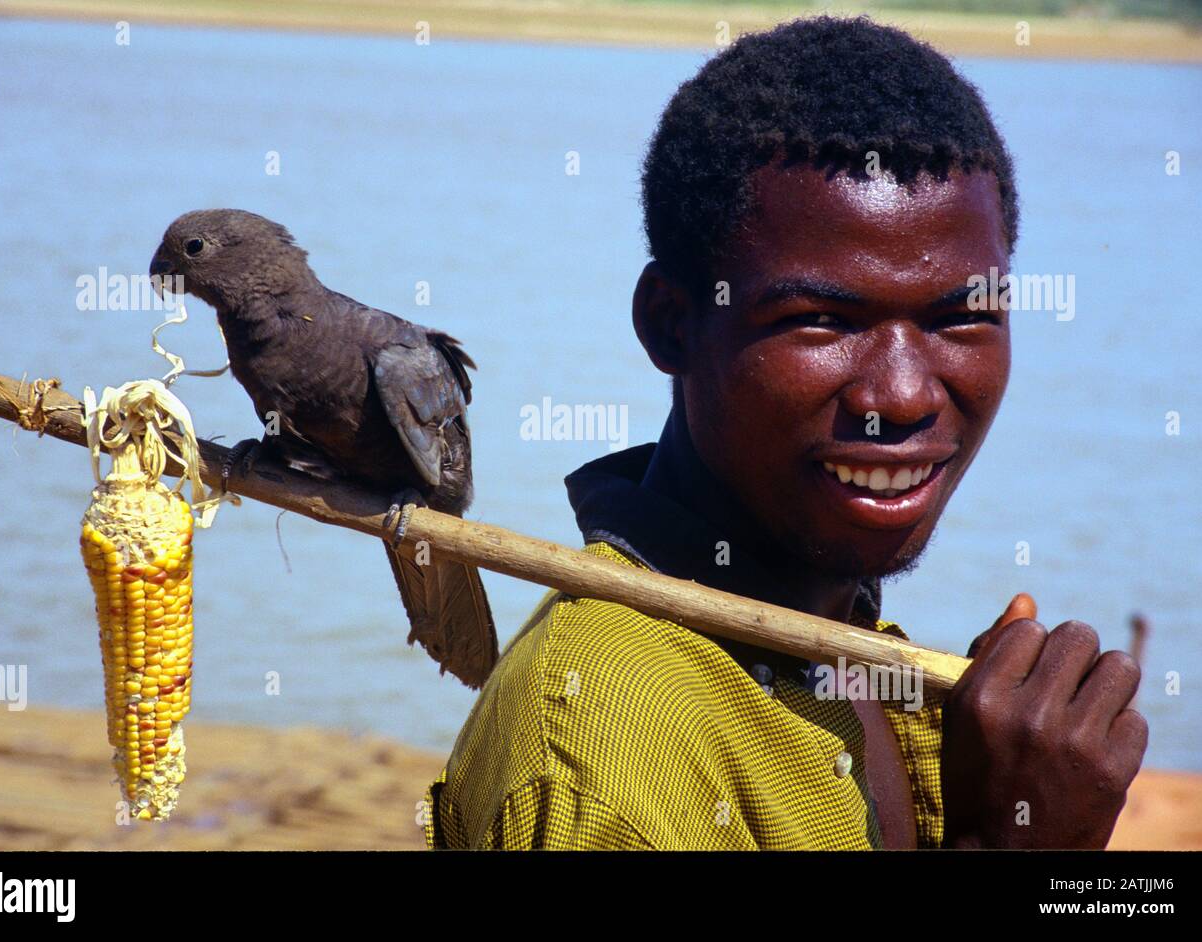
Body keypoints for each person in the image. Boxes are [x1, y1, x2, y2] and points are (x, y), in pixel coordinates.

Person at [422, 15, 1147, 849]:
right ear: (670, 325)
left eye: (962, 318)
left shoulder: (858, 661)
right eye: (822, 320)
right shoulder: (600, 758)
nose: (904, 395)